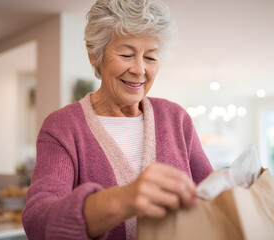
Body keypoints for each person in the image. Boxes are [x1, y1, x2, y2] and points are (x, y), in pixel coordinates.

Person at [22, 0, 213, 239]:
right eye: (126, 54)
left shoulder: (177, 119)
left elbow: (213, 198)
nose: (140, 70)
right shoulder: (62, 128)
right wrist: (125, 199)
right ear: (94, 53)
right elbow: (38, 221)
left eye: (151, 58)